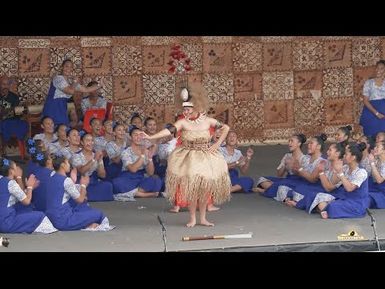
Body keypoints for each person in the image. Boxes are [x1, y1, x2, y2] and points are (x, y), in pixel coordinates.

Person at [142, 84, 231, 227]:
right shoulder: (182, 122)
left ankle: (202, 218)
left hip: (206, 157)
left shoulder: (208, 120)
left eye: (188, 109)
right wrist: (151, 138)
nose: (186, 112)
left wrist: (217, 144)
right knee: (192, 189)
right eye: (184, 110)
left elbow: (226, 127)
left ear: (195, 108)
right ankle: (192, 218)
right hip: (188, 158)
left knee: (203, 189)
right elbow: (169, 131)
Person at [42, 59, 103, 126]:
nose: (68, 69)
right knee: (54, 129)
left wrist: (99, 85)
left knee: (62, 129)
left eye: (71, 67)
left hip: (61, 107)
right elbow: (70, 91)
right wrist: (75, 82)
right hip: (53, 107)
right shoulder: (58, 79)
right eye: (66, 66)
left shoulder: (70, 80)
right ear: (62, 67)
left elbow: (86, 89)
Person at [0, 76, 28, 156]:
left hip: (11, 120)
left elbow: (15, 112)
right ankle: (3, 150)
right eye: (3, 84)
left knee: (24, 124)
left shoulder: (14, 97)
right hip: (1, 120)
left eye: (7, 84)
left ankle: (24, 152)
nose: (5, 86)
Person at [359, 60, 385, 137]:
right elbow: (365, 100)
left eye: (381, 68)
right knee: (371, 138)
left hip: (384, 113)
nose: (378, 70)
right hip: (371, 112)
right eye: (377, 68)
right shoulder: (369, 83)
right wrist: (376, 113)